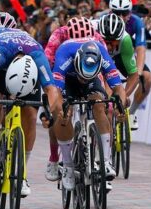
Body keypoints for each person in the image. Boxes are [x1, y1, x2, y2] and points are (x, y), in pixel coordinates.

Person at [0, 28, 62, 197]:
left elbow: (51, 89)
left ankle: (22, 173)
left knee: (30, 114)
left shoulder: (38, 55)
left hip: (28, 72)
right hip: (1, 70)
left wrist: (49, 113)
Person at [51, 40, 127, 191]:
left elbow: (119, 88)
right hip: (69, 81)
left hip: (93, 82)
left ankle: (105, 161)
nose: (83, 79)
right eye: (82, 76)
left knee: (99, 105)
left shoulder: (103, 57)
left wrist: (120, 108)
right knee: (63, 114)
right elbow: (55, 93)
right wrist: (62, 110)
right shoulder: (64, 56)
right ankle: (67, 165)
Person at [109, 0, 151, 130]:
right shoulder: (104, 20)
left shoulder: (137, 22)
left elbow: (141, 49)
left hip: (124, 55)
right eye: (117, 13)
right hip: (108, 55)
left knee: (147, 78)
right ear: (110, 12)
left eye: (125, 13)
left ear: (130, 12)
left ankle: (131, 112)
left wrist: (138, 72)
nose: (121, 17)